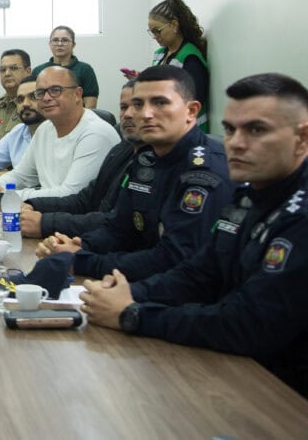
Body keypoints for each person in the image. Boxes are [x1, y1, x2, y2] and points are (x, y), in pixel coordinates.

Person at [80, 73, 308, 397]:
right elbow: (198, 273)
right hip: (238, 371)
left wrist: (133, 314)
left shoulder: (300, 214)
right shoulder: (251, 192)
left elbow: (249, 323)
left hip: (284, 396)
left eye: (256, 130)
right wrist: (127, 293)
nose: (236, 143)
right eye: (230, 129)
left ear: (302, 138)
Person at [36, 65, 232, 281]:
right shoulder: (145, 159)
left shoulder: (204, 172)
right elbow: (119, 229)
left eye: (160, 103)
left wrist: (82, 260)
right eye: (138, 104)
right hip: (139, 281)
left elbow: (172, 259)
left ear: (191, 111)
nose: (144, 114)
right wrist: (79, 245)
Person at [0, 66, 118, 204]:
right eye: (40, 93)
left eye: (55, 90)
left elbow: (71, 196)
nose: (46, 98)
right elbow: (21, 176)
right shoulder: (44, 129)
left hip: (77, 216)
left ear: (77, 94)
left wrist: (3, 196)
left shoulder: (95, 133)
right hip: (45, 213)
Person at [20, 81, 141, 238]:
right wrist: (32, 204)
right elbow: (84, 200)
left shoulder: (98, 133)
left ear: (78, 95)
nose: (128, 114)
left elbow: (118, 222)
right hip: (93, 241)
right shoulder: (122, 150)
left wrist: (45, 223)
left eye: (138, 106)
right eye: (123, 107)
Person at [148, 0, 209, 132]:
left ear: (174, 25)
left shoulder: (190, 57)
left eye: (158, 31)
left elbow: (192, 100)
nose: (155, 36)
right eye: (152, 32)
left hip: (189, 131)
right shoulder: (159, 54)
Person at [31, 25, 99, 108]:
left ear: (73, 45)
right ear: (50, 44)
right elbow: (34, 101)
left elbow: (90, 105)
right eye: (55, 40)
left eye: (65, 40)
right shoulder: (39, 71)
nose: (59, 44)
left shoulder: (85, 69)